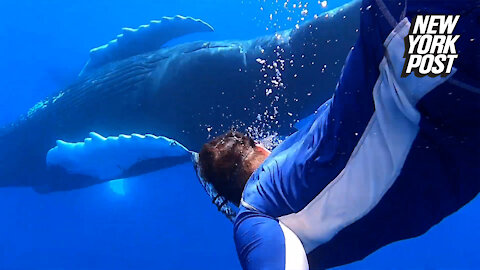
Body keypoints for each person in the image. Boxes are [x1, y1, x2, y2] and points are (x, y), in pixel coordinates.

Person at [197, 0, 480, 269]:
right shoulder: (303, 145)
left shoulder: (255, 213)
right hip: (409, 44)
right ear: (259, 147)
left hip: (432, 69)